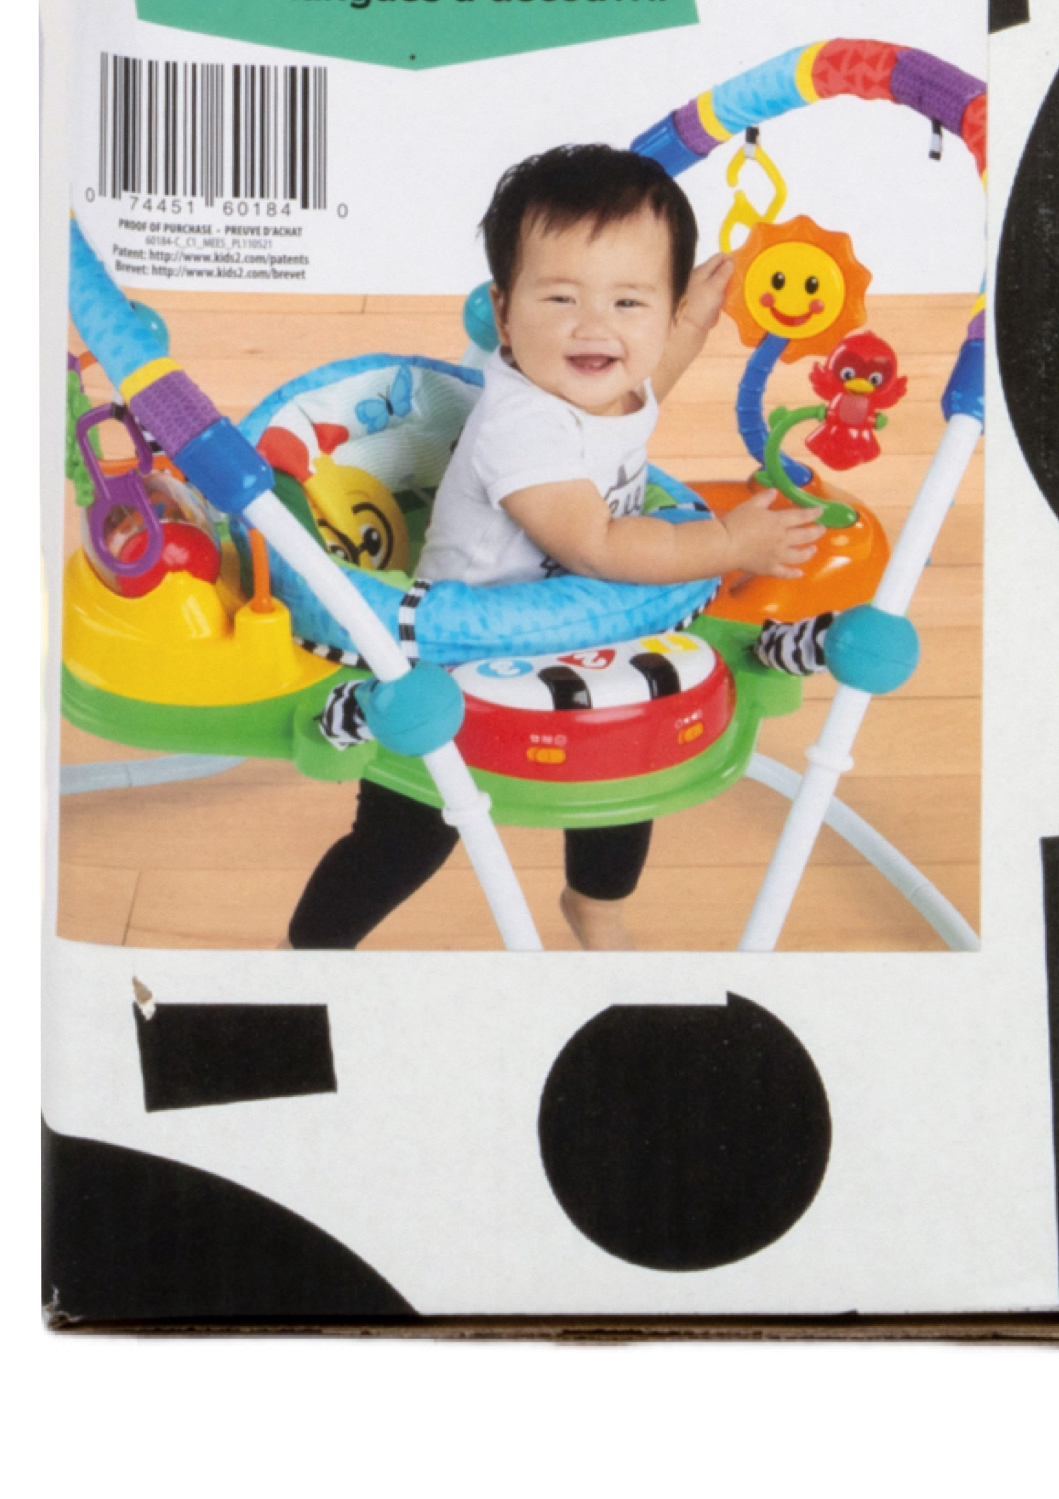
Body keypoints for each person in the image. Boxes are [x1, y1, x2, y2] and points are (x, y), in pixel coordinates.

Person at [289, 143, 772, 952]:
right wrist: (726, 540)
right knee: (406, 834)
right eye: (560, 297)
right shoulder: (523, 425)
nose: (595, 326)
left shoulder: (616, 382)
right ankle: (306, 954)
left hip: (589, 634)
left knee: (622, 781)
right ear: (505, 312)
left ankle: (596, 908)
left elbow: (662, 366)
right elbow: (597, 546)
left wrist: (700, 311)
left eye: (630, 301)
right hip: (459, 651)